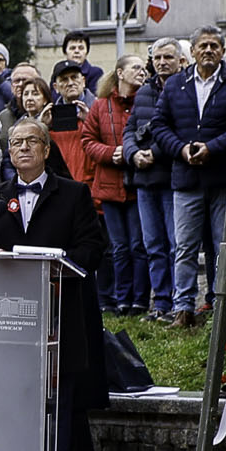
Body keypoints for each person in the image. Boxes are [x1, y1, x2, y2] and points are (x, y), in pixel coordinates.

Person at [0, 118, 109, 451]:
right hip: (10, 321)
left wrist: (55, 264)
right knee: (13, 402)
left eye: (32, 141)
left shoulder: (73, 194)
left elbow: (92, 248)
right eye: (16, 143)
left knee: (58, 404)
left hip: (60, 316)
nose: (23, 149)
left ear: (47, 150)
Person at [153, 26, 226, 327]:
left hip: (220, 178)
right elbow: (159, 125)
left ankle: (220, 306)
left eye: (214, 46)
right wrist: (180, 149)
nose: (208, 50)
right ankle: (183, 308)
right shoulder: (176, 84)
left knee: (222, 245)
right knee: (185, 247)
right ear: (191, 51)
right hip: (186, 177)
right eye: (202, 45)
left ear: (223, 51)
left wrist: (212, 148)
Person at [81, 54, 147, 314]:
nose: (142, 72)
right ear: (120, 72)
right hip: (109, 187)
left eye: (144, 68)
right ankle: (121, 299)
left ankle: (139, 300)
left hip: (137, 186)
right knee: (118, 247)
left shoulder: (145, 103)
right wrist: (111, 153)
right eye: (136, 67)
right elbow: (87, 141)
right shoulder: (100, 106)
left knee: (139, 246)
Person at [124, 38, 181, 318]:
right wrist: (133, 153)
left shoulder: (185, 88)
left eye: (168, 57)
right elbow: (129, 128)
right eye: (157, 57)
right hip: (144, 179)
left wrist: (153, 153)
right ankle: (161, 303)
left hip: (172, 178)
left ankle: (179, 301)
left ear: (180, 60)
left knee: (175, 245)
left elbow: (180, 129)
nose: (162, 62)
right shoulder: (144, 92)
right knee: (153, 245)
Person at [49, 59, 94, 181]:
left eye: (74, 77)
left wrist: (90, 121)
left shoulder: (100, 108)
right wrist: (42, 127)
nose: (70, 83)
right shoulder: (49, 115)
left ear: (83, 81)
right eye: (64, 79)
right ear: (56, 87)